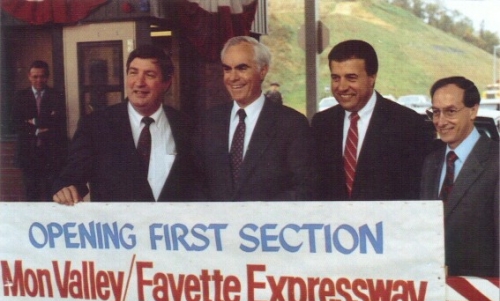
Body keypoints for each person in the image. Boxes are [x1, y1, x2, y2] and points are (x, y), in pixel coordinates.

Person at [52, 45, 196, 204]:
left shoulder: (186, 126)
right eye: (133, 73)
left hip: (171, 227)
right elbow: (71, 177)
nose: (139, 82)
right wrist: (65, 189)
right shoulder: (95, 125)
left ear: (166, 83)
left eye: (149, 74)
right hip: (116, 226)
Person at [421, 76, 499, 301]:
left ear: (474, 110)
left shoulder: (496, 161)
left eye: (451, 111)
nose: (441, 121)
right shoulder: (431, 163)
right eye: (436, 112)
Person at [193, 36, 317, 201]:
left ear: (263, 71)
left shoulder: (291, 124)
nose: (233, 77)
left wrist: (255, 216)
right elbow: (195, 183)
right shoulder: (208, 122)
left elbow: (304, 188)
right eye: (227, 69)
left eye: (242, 68)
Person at [311, 40, 427, 201]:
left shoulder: (408, 124)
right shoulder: (321, 124)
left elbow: (415, 192)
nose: (342, 87)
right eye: (336, 78)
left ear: (372, 78)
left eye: (351, 78)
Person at [12, 60, 68, 201]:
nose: (39, 80)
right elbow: (16, 123)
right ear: (29, 77)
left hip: (51, 155)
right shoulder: (20, 97)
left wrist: (33, 122)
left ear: (47, 77)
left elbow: (59, 123)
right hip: (28, 154)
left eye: (42, 76)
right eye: (35, 76)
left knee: (52, 194)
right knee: (32, 193)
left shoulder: (56, 95)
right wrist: (40, 127)